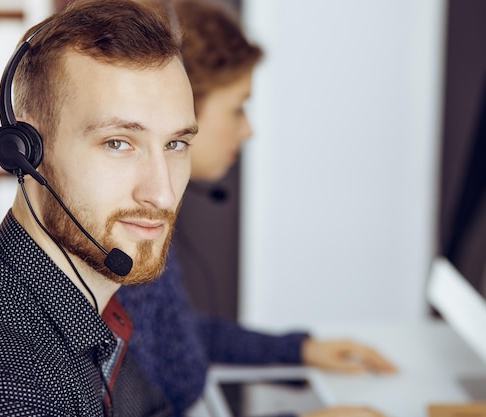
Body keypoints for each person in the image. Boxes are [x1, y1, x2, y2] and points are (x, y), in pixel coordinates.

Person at [116, 1, 396, 416]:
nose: (248, 130)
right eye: (237, 107)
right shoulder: (123, 237)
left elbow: (177, 339)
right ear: (183, 106)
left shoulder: (147, 223)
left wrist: (297, 350)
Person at [0, 0, 197, 415]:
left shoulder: (83, 295)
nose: (163, 194)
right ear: (26, 151)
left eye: (175, 144)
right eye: (118, 143)